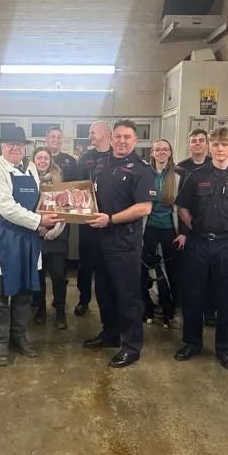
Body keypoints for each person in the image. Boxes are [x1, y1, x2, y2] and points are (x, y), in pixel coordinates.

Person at [174, 127, 228, 371]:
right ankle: (192, 343)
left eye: (225, 145)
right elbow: (182, 208)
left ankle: (224, 348)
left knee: (225, 299)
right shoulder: (196, 176)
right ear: (209, 147)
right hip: (199, 244)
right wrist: (195, 229)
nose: (220, 149)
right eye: (215, 144)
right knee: (193, 297)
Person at [0, 126, 63, 366]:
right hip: (4, 238)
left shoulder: (30, 168)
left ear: (25, 147)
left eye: (19, 144)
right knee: (0, 296)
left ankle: (19, 336)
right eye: (10, 144)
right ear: (2, 146)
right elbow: (7, 208)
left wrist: (52, 216)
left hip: (28, 239)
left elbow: (38, 201)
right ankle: (0, 342)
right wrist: (39, 221)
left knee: (25, 293)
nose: (15, 148)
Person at [84, 119, 157, 368]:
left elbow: (144, 207)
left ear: (135, 140)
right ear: (111, 138)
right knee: (104, 292)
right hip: (99, 240)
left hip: (124, 241)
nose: (122, 141)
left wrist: (111, 219)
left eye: (127, 137)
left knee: (127, 296)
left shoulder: (142, 169)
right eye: (118, 137)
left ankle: (132, 346)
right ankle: (110, 334)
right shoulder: (101, 164)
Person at [142, 139, 185, 329]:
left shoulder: (178, 175)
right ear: (152, 152)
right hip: (148, 228)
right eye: (158, 149)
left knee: (173, 272)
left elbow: (184, 207)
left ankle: (173, 310)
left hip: (170, 230)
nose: (161, 152)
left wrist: (184, 233)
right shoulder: (145, 174)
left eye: (165, 149)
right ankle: (147, 308)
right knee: (144, 270)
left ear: (170, 153)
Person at [175, 129, 215, 326]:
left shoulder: (216, 165)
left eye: (201, 140)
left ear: (207, 144)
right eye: (194, 141)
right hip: (188, 228)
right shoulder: (180, 169)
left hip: (212, 229)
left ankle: (210, 311)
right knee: (190, 273)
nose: (198, 143)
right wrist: (185, 231)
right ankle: (188, 310)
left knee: (212, 275)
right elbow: (179, 204)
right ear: (188, 145)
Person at [74, 121, 112, 316]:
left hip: (111, 221)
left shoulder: (116, 156)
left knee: (107, 265)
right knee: (86, 263)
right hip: (88, 220)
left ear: (105, 133)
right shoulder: (86, 157)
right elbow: (78, 184)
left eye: (92, 132)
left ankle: (108, 303)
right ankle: (83, 299)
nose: (89, 136)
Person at [31, 147, 69, 330]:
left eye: (45, 158)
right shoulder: (28, 180)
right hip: (35, 234)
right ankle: (40, 309)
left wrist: (51, 231)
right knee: (38, 276)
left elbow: (65, 210)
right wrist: (39, 228)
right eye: (39, 157)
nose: (42, 161)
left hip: (57, 236)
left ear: (50, 160)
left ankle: (60, 311)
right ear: (33, 160)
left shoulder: (59, 181)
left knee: (58, 276)